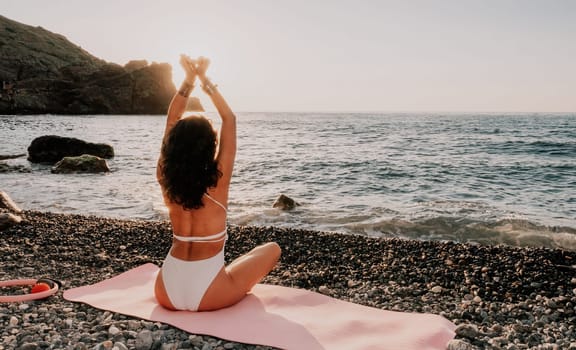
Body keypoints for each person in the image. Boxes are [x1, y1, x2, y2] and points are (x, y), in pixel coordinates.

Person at [154, 55, 281, 311]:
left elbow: (171, 119)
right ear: (209, 146)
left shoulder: (166, 178)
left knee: (238, 264)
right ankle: (226, 281)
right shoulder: (217, 183)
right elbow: (229, 119)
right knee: (272, 249)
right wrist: (204, 81)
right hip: (208, 294)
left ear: (174, 146)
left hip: (165, 290)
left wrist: (188, 81)